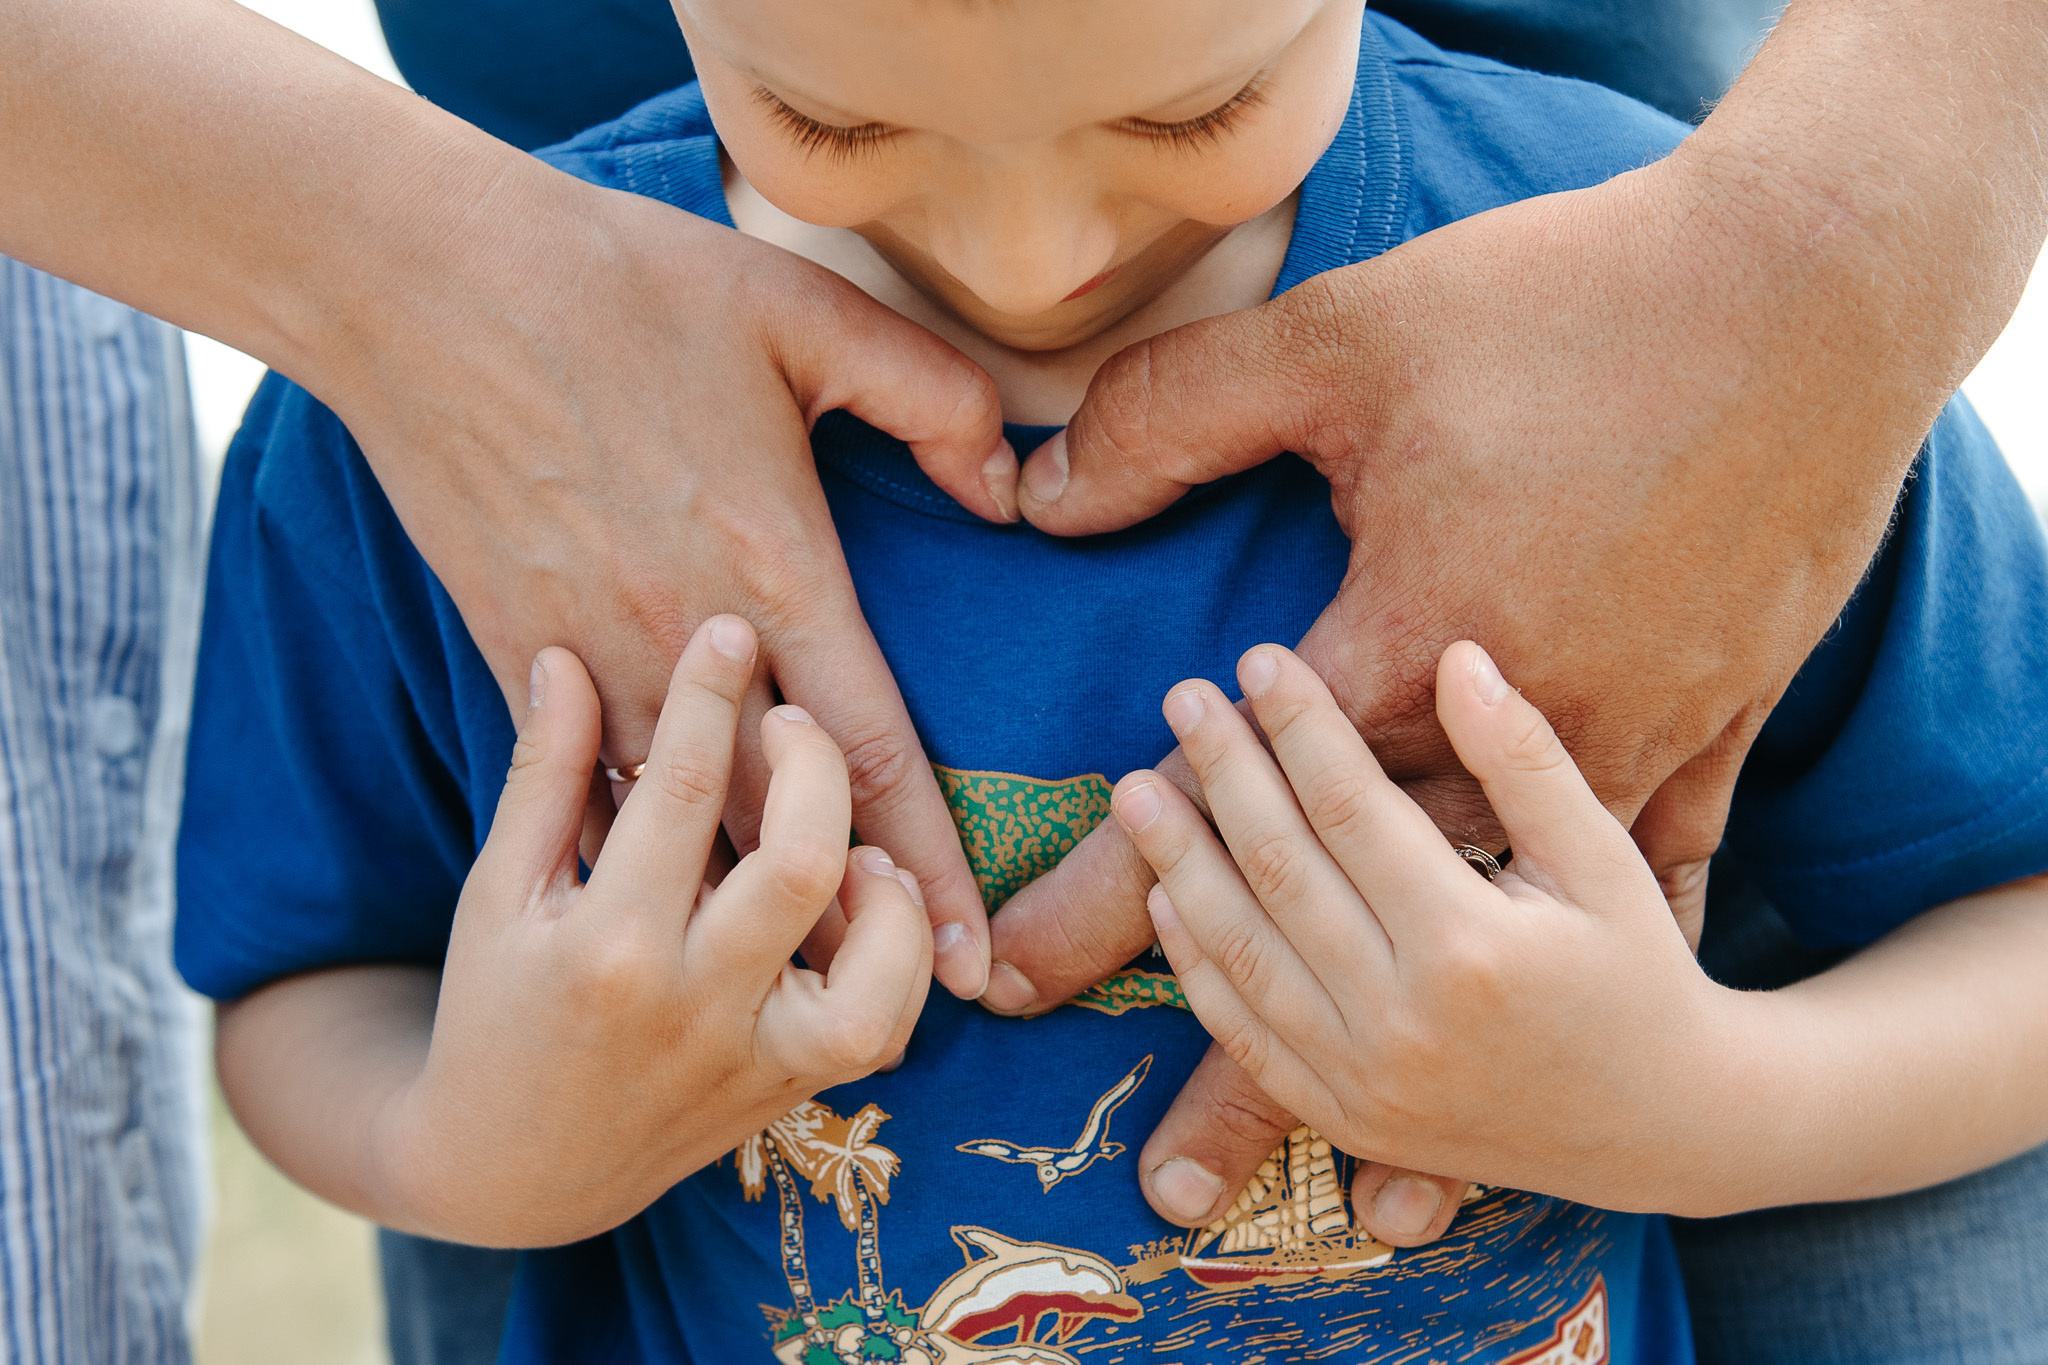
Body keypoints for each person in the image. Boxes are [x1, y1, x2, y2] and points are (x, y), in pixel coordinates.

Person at [173, 0, 2048, 1359]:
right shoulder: (438, 429)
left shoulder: (1698, 363)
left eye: (1197, 111)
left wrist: (1713, 1101)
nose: (1032, 261)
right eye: (825, 123)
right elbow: (302, 979)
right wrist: (468, 1148)